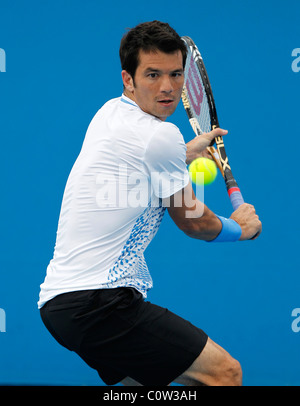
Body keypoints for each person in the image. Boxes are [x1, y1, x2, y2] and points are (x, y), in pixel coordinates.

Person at [38, 20, 262, 386]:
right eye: (153, 75)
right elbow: (194, 222)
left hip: (60, 306)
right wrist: (241, 228)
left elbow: (140, 161)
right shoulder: (160, 136)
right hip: (101, 303)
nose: (168, 88)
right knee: (224, 373)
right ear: (128, 79)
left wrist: (183, 153)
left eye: (176, 75)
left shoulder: (110, 113)